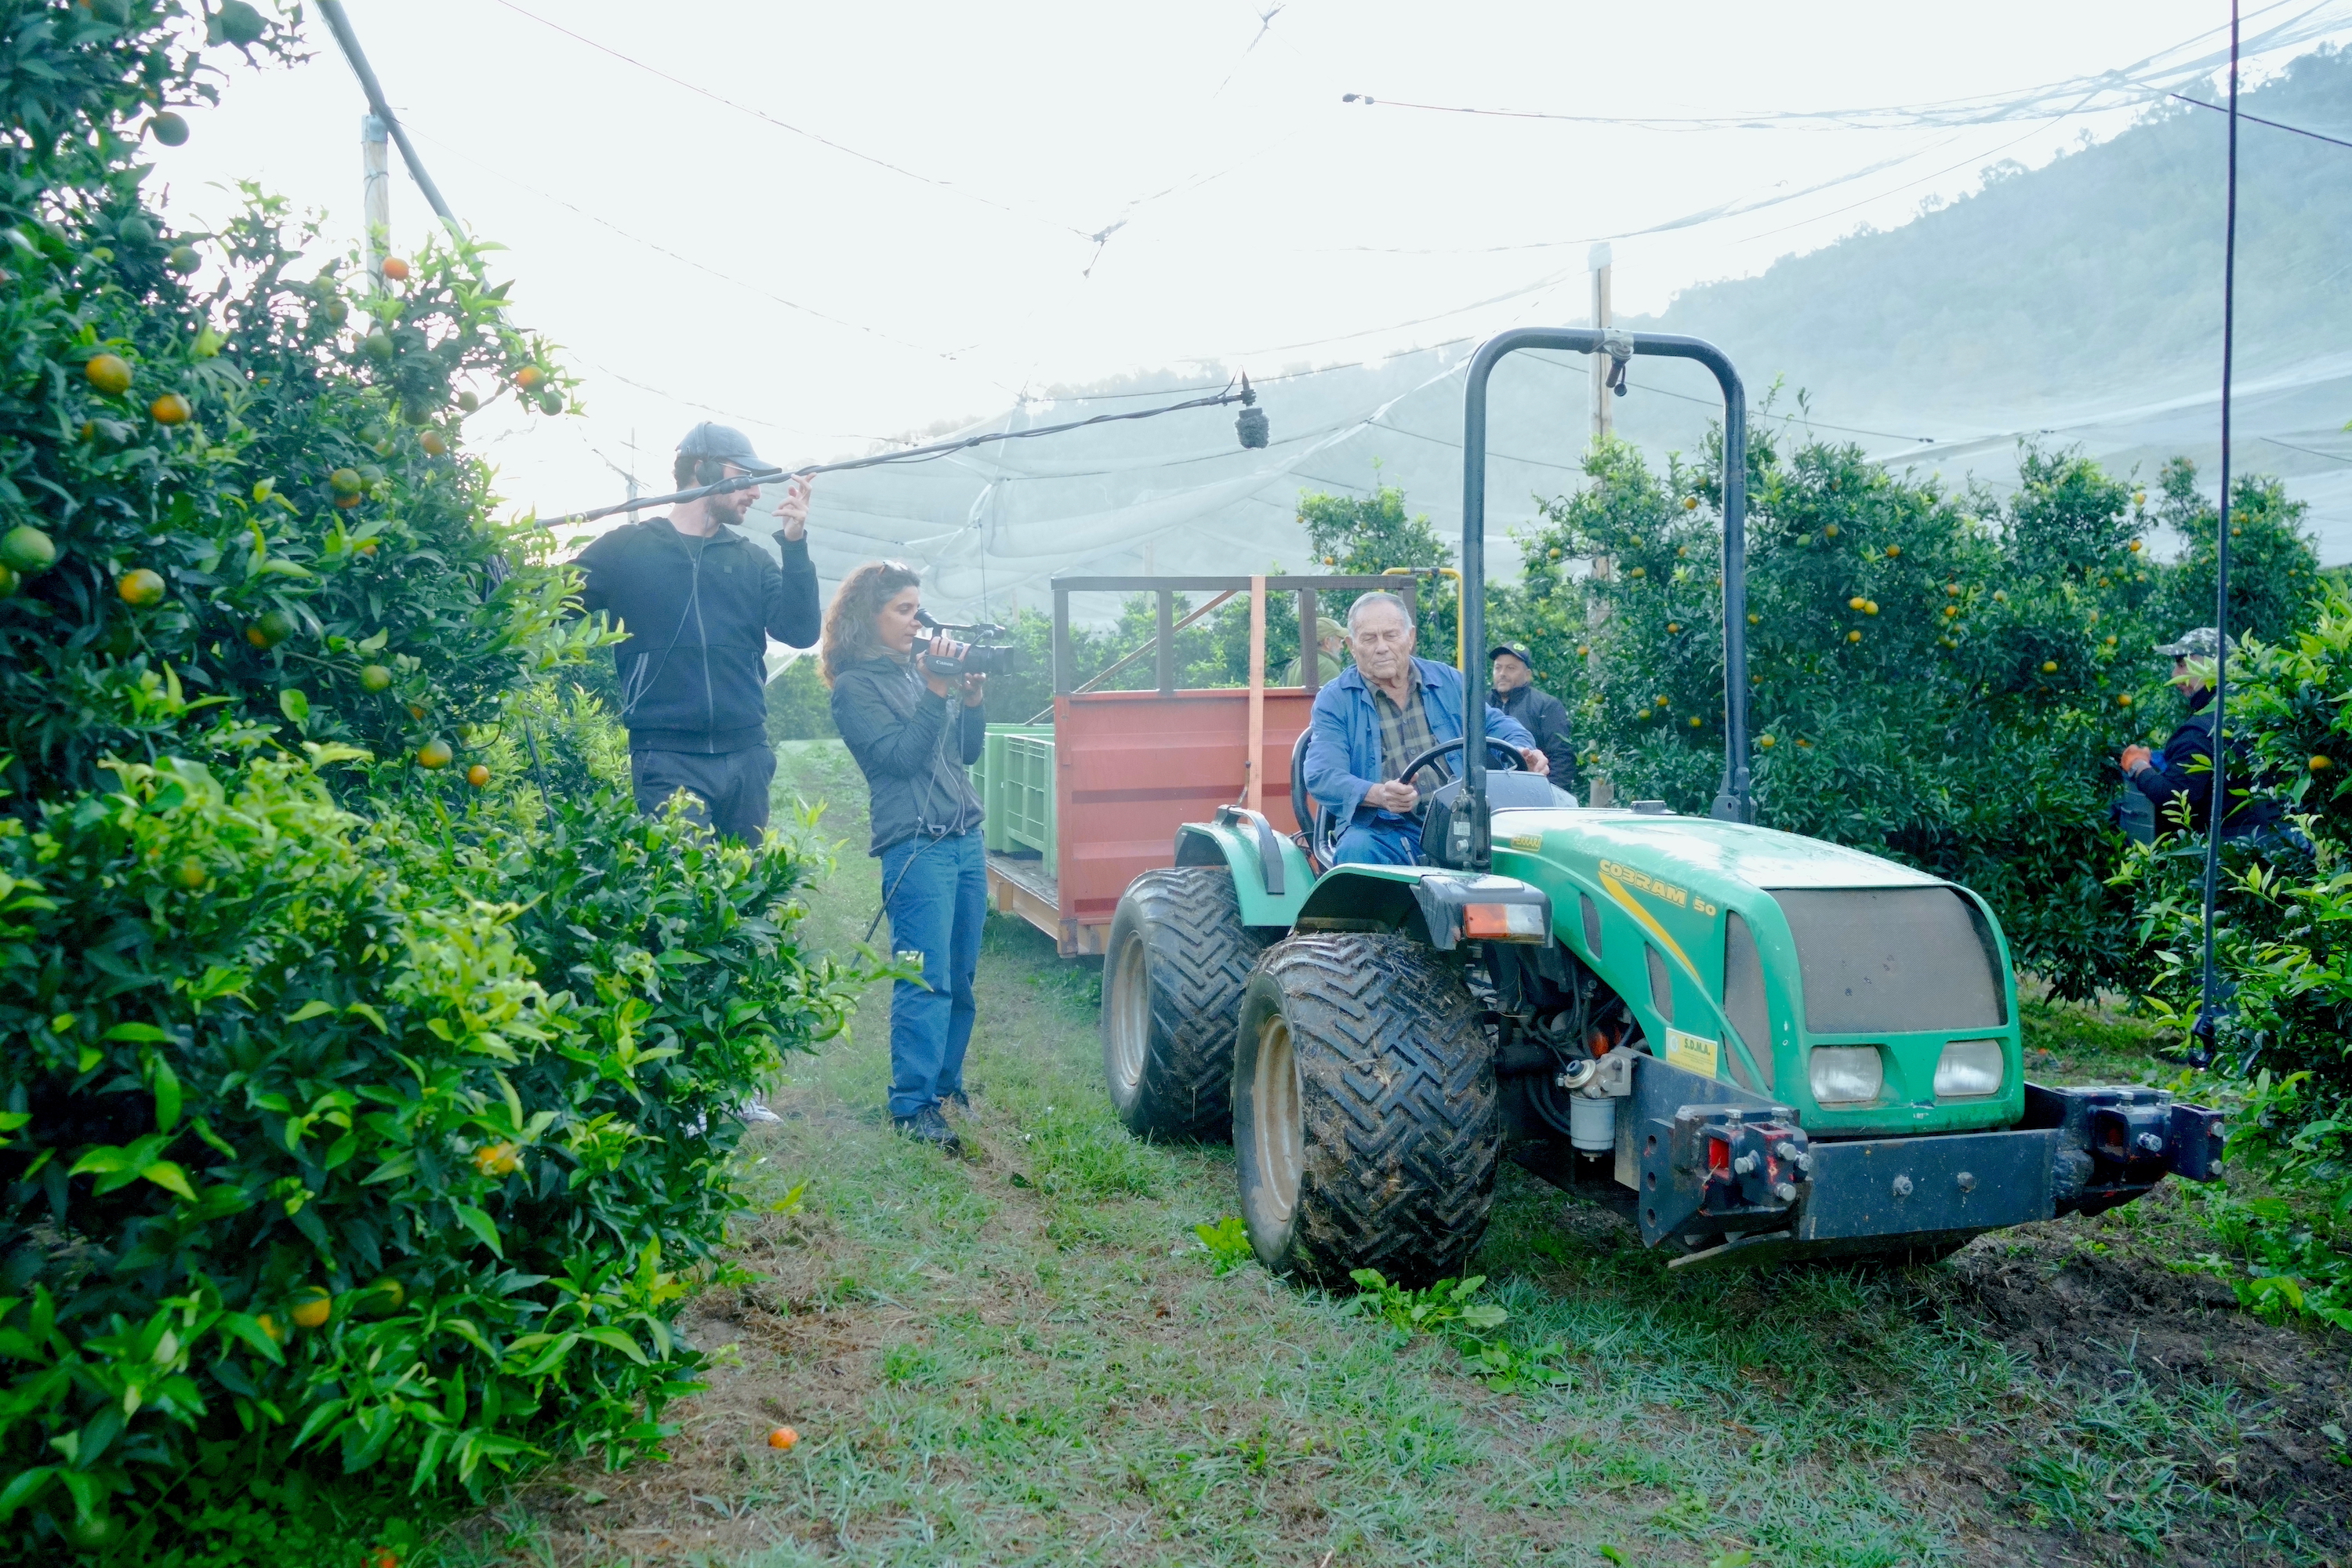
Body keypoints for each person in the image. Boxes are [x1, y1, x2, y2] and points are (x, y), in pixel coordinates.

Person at [575, 422, 818, 842]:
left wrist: (794, 546)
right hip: (667, 759)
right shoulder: (625, 550)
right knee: (685, 895)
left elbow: (800, 631)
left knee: (746, 893)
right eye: (745, 477)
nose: (757, 492)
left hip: (747, 756)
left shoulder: (752, 561)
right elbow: (543, 604)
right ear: (704, 471)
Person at [825, 562, 989, 1156]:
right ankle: (912, 1103)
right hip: (916, 850)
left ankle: (946, 1086)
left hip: (965, 840)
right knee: (924, 976)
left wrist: (968, 700)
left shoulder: (917, 674)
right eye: (903, 609)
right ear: (866, 615)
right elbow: (898, 758)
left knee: (961, 975)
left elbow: (965, 753)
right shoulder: (855, 688)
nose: (916, 621)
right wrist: (938, 691)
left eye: (918, 609)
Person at [1303, 591, 1544, 866]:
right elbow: (1322, 775)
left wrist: (1524, 750)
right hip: (1383, 830)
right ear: (1352, 646)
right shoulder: (1336, 699)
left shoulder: (1449, 681)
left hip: (1458, 820)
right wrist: (1380, 794)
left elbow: (1496, 724)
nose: (1381, 647)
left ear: (1410, 637)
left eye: (1391, 635)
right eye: (1369, 638)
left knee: (1536, 843)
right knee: (1357, 852)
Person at [2118, 626, 2285, 841]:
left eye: (2181, 664)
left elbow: (2175, 797)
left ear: (2207, 665)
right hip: (2283, 844)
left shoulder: (2200, 730)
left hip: (2233, 852)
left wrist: (2138, 766)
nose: (2175, 676)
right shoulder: (2261, 714)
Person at [1487, 641, 1579, 792]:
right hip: (1486, 797)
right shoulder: (1480, 706)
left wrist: (1549, 796)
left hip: (1531, 797)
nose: (1502, 673)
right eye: (1498, 667)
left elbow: (1562, 758)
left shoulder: (1547, 705)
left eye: (1511, 668)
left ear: (1528, 674)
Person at [1278, 615, 1349, 687]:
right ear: (1327, 642)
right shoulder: (1328, 667)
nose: (1342, 647)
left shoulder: (1295, 664)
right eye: (1340, 641)